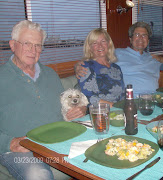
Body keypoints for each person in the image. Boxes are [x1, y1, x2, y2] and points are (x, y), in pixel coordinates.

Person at [75, 22, 163, 180]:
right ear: (130, 38)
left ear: (148, 40)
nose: (140, 38)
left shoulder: (126, 64)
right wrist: (77, 66)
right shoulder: (117, 54)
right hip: (124, 108)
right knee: (158, 134)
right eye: (136, 34)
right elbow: (92, 76)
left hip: (152, 105)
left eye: (144, 35)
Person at [0, 20, 86, 180]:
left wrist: (80, 109)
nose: (33, 50)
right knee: (38, 175)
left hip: (59, 139)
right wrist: (8, 143)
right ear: (12, 45)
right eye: (27, 43)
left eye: (38, 45)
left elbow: (67, 107)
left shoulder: (50, 74)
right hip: (23, 148)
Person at [78, 28, 125, 107]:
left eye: (103, 41)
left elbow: (122, 94)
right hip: (99, 112)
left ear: (108, 44)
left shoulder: (116, 68)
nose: (100, 46)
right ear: (90, 47)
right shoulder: (86, 67)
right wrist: (116, 107)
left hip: (118, 110)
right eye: (95, 43)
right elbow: (90, 98)